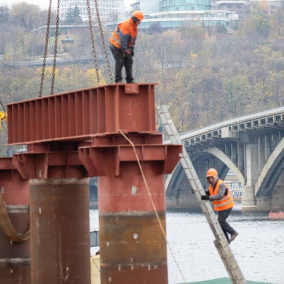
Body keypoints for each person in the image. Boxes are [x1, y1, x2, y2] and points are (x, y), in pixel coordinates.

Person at [201, 168, 238, 243]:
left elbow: (220, 195)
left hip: (227, 206)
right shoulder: (212, 186)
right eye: (209, 178)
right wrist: (199, 192)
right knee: (220, 223)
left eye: (212, 178)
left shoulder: (221, 184)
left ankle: (233, 233)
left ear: (215, 177)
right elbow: (208, 192)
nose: (210, 180)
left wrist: (208, 197)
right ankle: (226, 240)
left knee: (221, 221)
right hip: (221, 207)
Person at [109, 10, 144, 84]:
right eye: (139, 21)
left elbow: (132, 40)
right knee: (120, 61)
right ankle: (118, 80)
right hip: (115, 45)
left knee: (129, 60)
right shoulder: (126, 25)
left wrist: (131, 49)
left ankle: (130, 80)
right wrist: (125, 50)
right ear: (135, 19)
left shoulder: (135, 28)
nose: (140, 22)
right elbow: (123, 38)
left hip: (123, 46)